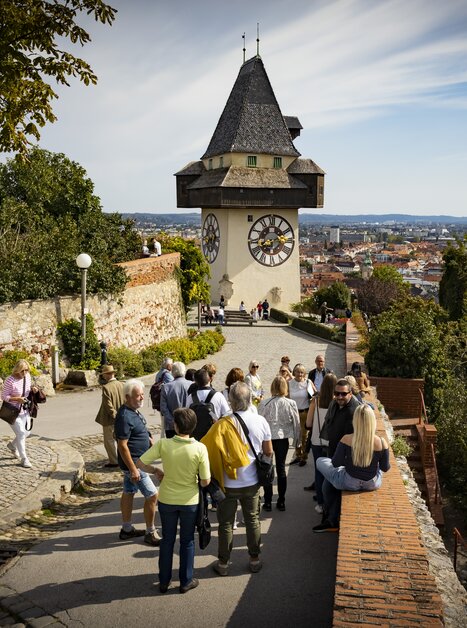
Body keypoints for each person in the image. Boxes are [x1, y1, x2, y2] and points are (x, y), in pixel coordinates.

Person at [138, 408, 211, 594]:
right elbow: (205, 481)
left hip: (167, 499)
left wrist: (156, 471)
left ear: (175, 426)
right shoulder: (200, 448)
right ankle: (186, 581)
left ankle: (164, 580)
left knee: (167, 540)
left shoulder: (164, 444)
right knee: (187, 541)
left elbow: (140, 462)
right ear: (193, 427)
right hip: (190, 501)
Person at [208, 382, 272, 576]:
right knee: (252, 520)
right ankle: (254, 559)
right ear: (250, 399)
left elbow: (210, 451)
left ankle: (224, 563)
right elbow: (268, 451)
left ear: (232, 402)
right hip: (251, 481)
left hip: (227, 483)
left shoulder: (222, 423)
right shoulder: (260, 421)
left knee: (226, 524)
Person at [313, 405, 390, 533]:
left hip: (348, 482)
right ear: (372, 421)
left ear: (355, 421)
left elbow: (336, 463)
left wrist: (349, 460)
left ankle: (326, 511)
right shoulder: (381, 442)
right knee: (377, 470)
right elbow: (385, 468)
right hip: (371, 483)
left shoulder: (347, 439)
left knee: (320, 461)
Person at [114, 379, 161, 546]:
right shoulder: (124, 416)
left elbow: (136, 430)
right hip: (135, 464)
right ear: (127, 397)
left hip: (136, 462)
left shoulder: (132, 410)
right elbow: (122, 445)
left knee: (129, 492)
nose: (141, 398)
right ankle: (150, 532)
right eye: (138, 396)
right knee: (153, 495)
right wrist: (133, 469)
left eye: (142, 395)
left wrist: (146, 437)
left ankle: (126, 529)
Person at [258, 376, 300, 511]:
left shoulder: (264, 403)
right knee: (281, 469)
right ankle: (281, 500)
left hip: (267, 439)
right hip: (282, 439)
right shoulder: (290, 403)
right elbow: (297, 423)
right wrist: (297, 441)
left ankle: (268, 501)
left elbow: (258, 422)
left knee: (267, 468)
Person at [304, 373, 337, 513]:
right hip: (331, 441)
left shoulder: (315, 401)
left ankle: (320, 503)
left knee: (318, 472)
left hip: (317, 441)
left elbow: (308, 423)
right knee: (331, 471)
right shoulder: (336, 402)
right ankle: (330, 502)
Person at [1, 359, 37, 468]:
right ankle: (24, 459)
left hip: (24, 409)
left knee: (27, 433)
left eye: (26, 370)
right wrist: (17, 399)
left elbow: (27, 390)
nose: (25, 373)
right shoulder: (10, 380)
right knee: (21, 433)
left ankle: (12, 446)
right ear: (17, 370)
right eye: (22, 371)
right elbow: (4, 397)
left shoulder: (27, 377)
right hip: (12, 411)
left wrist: (33, 390)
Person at [95, 364, 125, 467]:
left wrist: (114, 415)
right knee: (120, 439)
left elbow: (108, 405)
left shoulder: (106, 387)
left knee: (109, 441)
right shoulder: (123, 384)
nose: (103, 377)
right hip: (122, 416)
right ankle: (123, 459)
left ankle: (114, 461)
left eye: (104, 374)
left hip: (110, 419)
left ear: (108, 375)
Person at [287, 363, 315, 466]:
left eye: (302, 372)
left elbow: (315, 395)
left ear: (304, 373)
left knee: (304, 435)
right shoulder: (289, 383)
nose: (300, 374)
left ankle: (304, 457)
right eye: (298, 372)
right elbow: (286, 396)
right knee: (296, 435)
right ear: (294, 372)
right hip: (294, 413)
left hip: (305, 412)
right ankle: (298, 455)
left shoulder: (308, 382)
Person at [160, 362, 191, 438]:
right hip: (188, 424)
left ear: (172, 372)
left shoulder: (166, 387)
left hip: (171, 427)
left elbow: (163, 408)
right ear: (184, 371)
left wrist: (172, 422)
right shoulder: (191, 385)